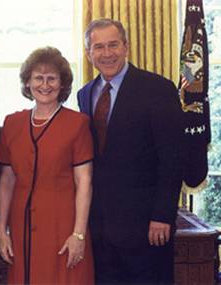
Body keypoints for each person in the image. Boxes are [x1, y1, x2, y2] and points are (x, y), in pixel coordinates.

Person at [78, 18, 183, 284]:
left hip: (146, 226)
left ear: (126, 47)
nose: (107, 53)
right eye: (98, 47)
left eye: (113, 45)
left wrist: (162, 215)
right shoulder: (84, 94)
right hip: (101, 228)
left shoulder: (158, 89)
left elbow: (172, 159)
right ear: (89, 54)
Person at [0, 47, 94, 284]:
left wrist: (78, 234)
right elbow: (7, 181)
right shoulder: (12, 123)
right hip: (20, 226)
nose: (45, 85)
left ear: (62, 84)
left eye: (52, 78)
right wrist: (2, 230)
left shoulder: (77, 124)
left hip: (62, 225)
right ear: (27, 83)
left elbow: (85, 182)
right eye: (38, 78)